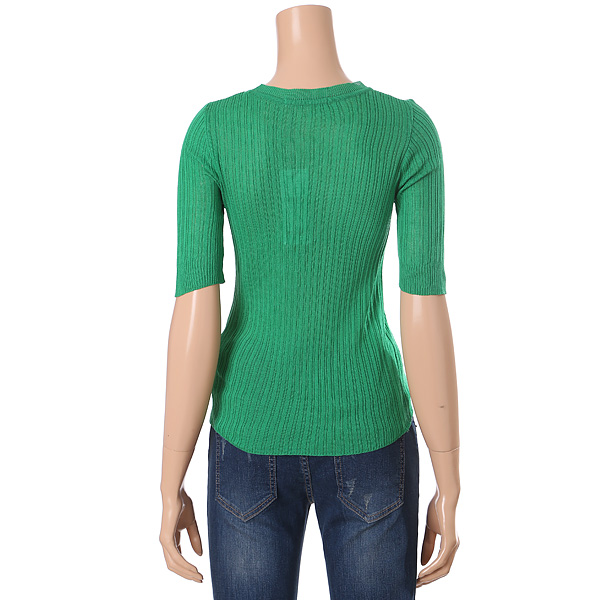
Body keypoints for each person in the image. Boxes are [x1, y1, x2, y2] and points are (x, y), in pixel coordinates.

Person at [160, 5, 460, 599]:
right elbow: (425, 303)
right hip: (369, 436)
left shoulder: (215, 132)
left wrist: (170, 475)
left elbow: (194, 303)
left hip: (250, 436)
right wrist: (449, 479)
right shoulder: (405, 129)